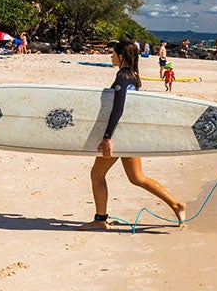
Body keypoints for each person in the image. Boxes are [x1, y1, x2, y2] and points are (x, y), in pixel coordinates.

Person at [76, 40, 186, 230]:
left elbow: (118, 109)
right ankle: (176, 204)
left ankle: (100, 220)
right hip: (129, 134)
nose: (111, 56)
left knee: (97, 174)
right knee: (137, 178)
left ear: (122, 56)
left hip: (118, 135)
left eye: (113, 53)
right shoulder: (134, 77)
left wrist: (107, 137)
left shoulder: (122, 77)